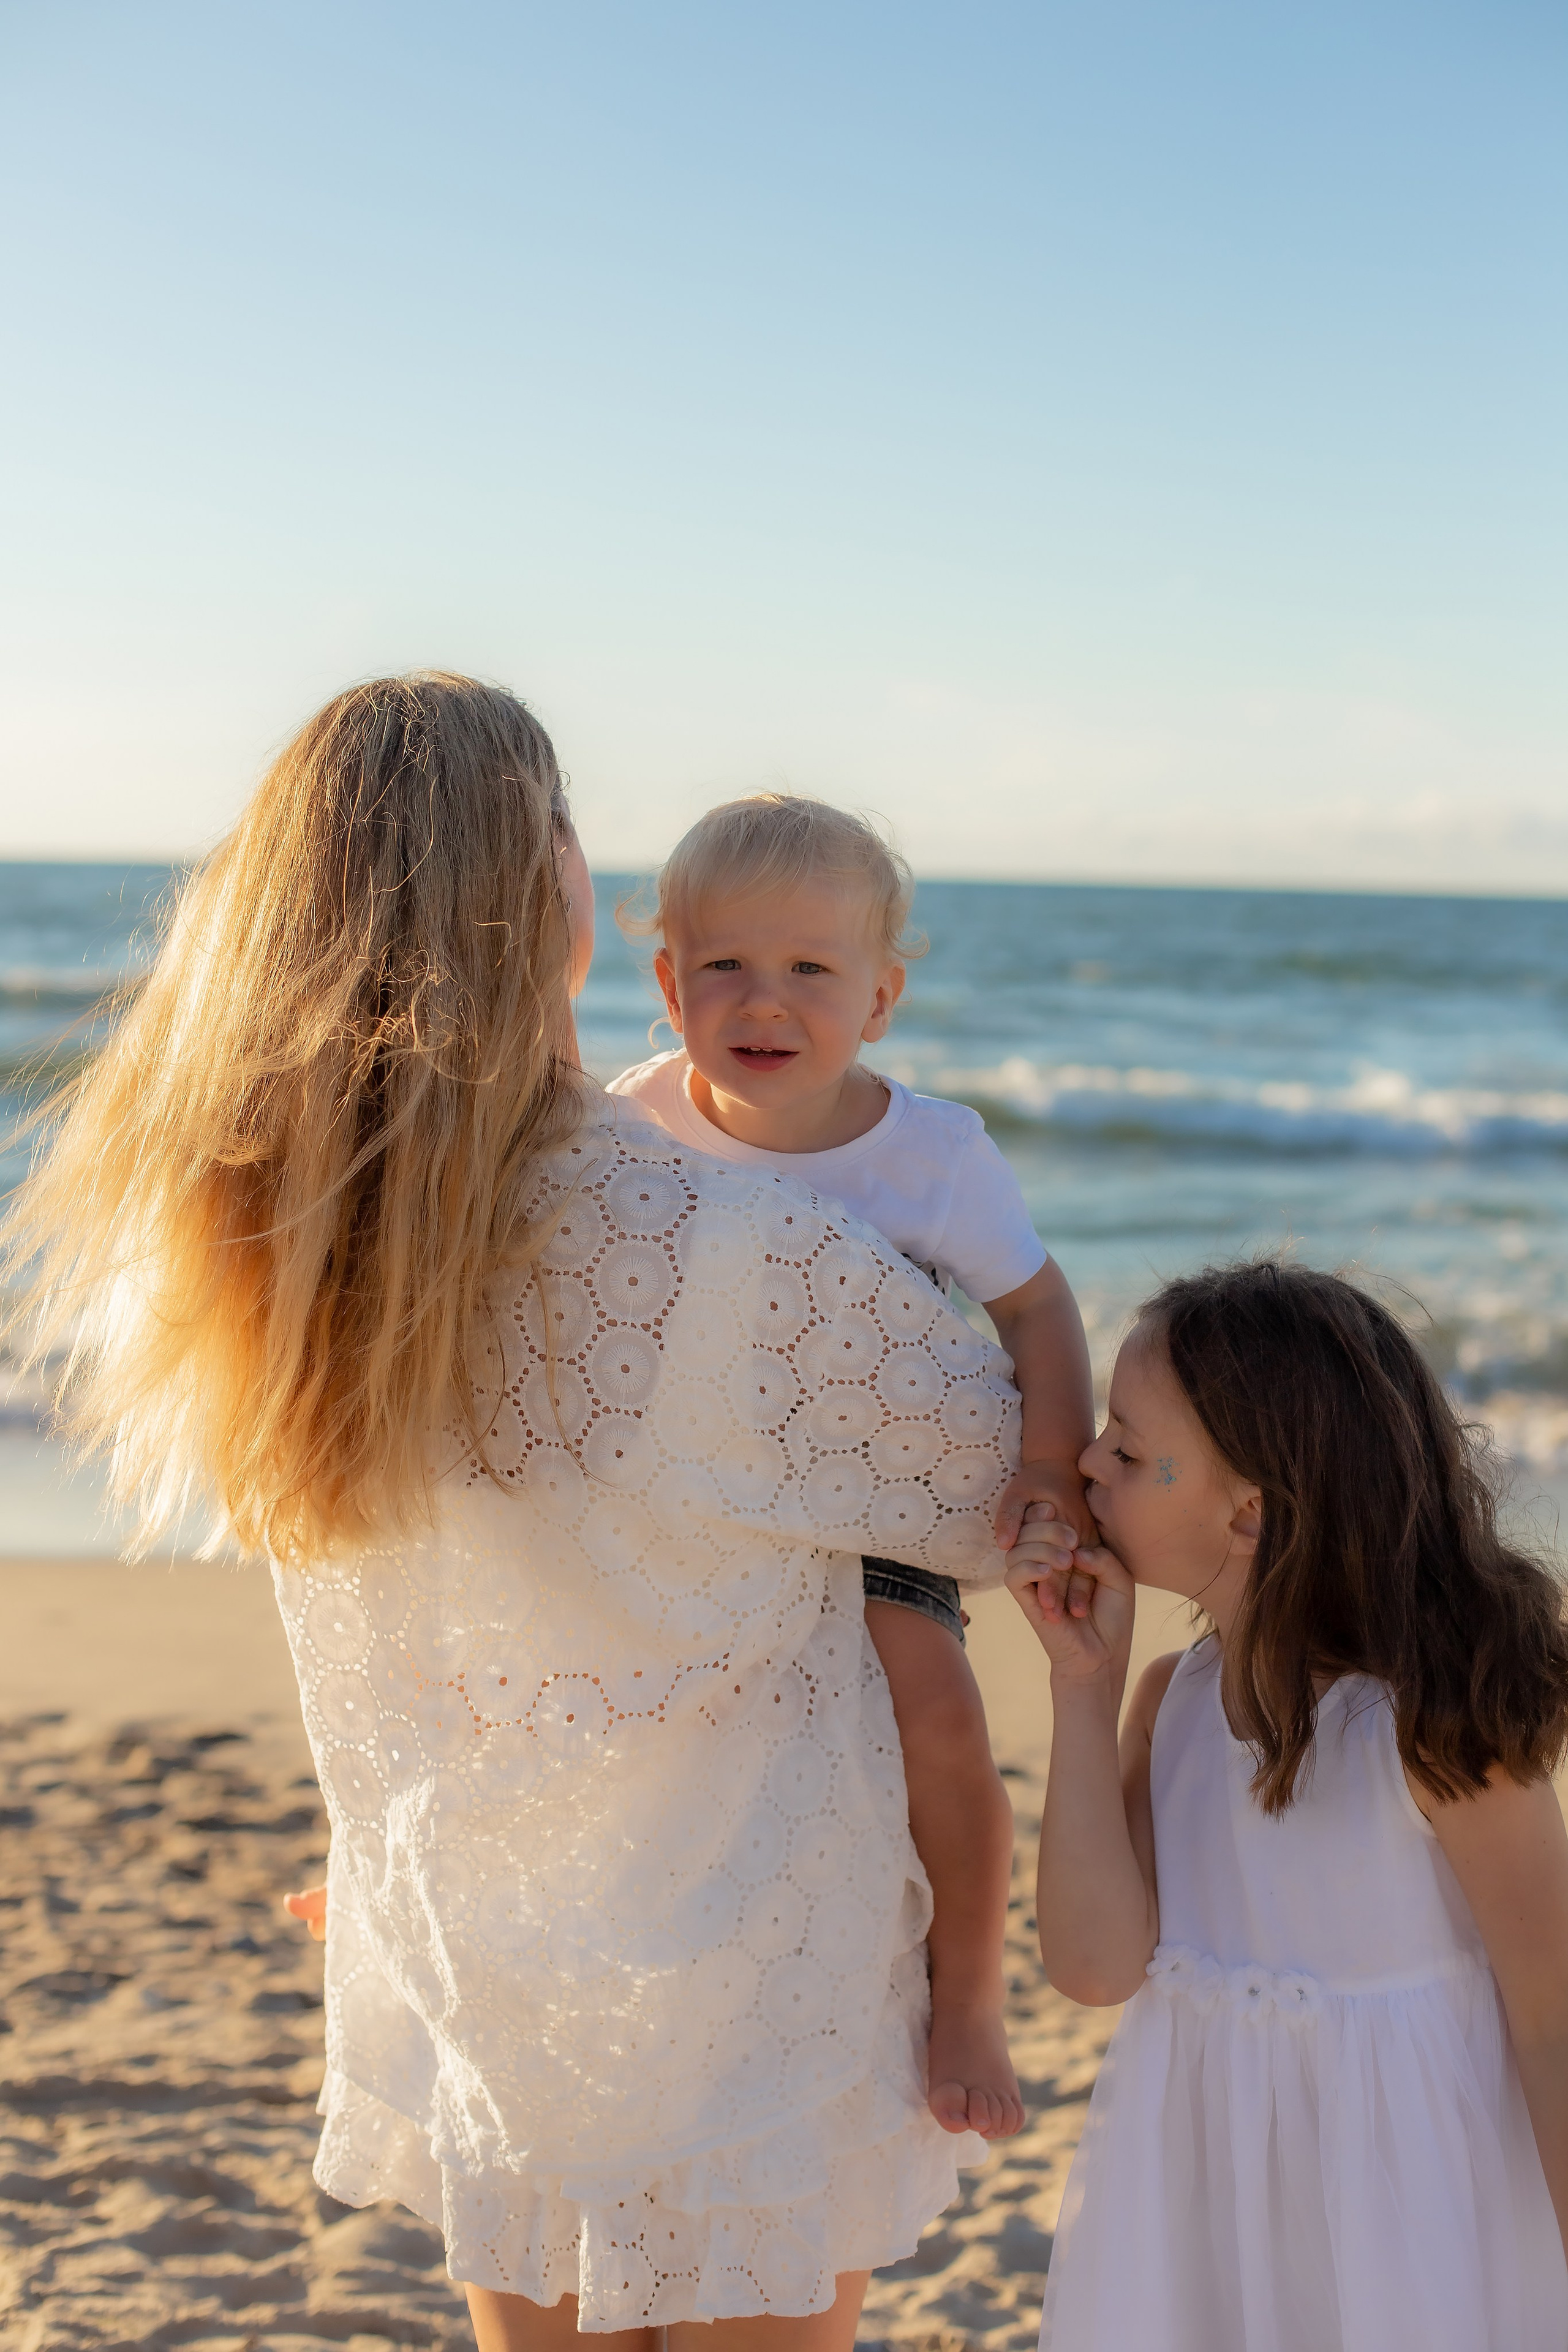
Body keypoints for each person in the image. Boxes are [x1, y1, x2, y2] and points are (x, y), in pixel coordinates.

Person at [2, 674, 1067, 2352]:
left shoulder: (279, 1269)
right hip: (750, 1974)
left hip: (482, 1952)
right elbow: (1021, 1509)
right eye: (565, 828)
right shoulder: (750, 1258)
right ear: (547, 890)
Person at [608, 793, 1095, 2141]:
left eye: (811, 971)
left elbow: (1036, 1312)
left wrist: (1045, 1468)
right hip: (695, 1506)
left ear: (877, 997)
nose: (765, 1001)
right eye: (724, 967)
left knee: (935, 1711)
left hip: (871, 1499)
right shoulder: (630, 1124)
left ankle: (966, 1993)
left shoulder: (931, 1155)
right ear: (667, 983)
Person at [1006, 1259, 1568, 2352]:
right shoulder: (1171, 1706)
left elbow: (1556, 2019)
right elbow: (1092, 1968)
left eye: (1127, 1451)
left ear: (1253, 1514)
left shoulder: (1433, 1727)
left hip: (1411, 2224)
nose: (1085, 1462)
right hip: (1208, 2212)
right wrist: (1084, 1687)